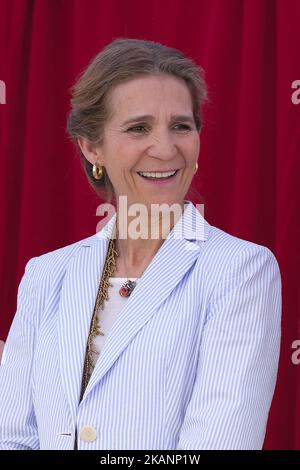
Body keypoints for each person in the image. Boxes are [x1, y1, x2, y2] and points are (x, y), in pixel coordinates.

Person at [0, 38, 281, 450]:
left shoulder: (241, 271)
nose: (165, 149)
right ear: (92, 146)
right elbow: (12, 436)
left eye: (181, 126)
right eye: (138, 128)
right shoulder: (47, 275)